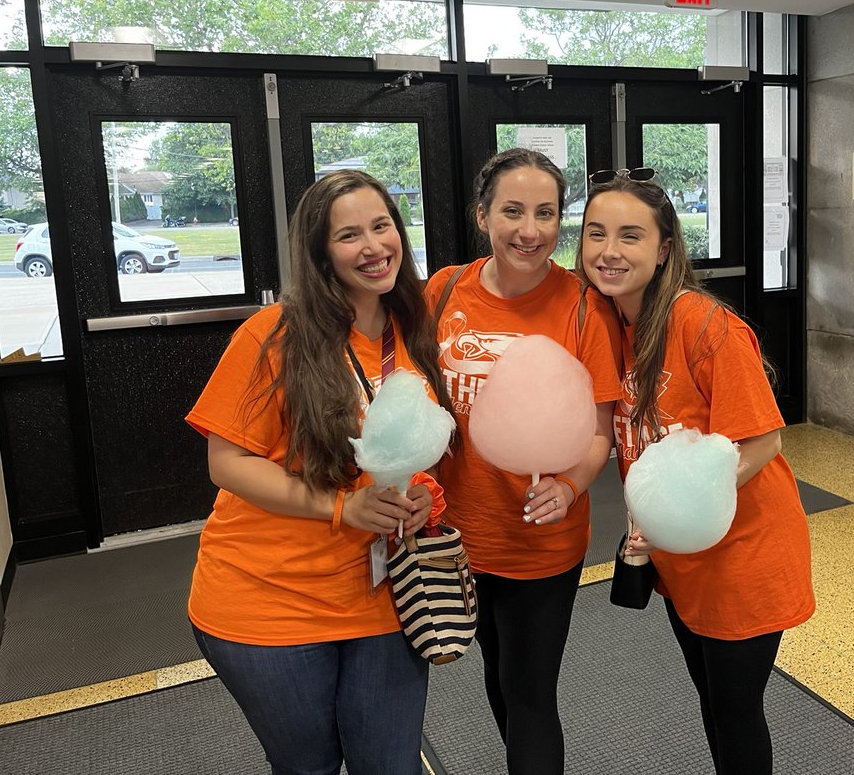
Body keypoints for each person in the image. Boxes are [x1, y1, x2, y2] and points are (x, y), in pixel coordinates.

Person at [185, 170, 454, 775]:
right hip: (268, 598)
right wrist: (340, 508)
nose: (373, 246)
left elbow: (408, 453)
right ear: (318, 253)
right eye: (348, 235)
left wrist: (419, 497)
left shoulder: (413, 330)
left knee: (389, 763)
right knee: (307, 765)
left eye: (382, 226)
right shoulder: (274, 336)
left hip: (383, 592)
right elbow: (225, 464)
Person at [578, 168, 815, 775]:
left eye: (630, 236)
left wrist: (673, 508)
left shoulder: (701, 323)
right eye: (595, 233)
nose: (609, 251)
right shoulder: (616, 326)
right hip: (682, 557)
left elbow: (762, 443)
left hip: (742, 553)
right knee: (712, 702)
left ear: (663, 249)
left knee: (734, 712)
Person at [425, 148, 622, 775]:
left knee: (531, 692)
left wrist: (568, 486)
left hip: (541, 539)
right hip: (460, 532)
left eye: (545, 213)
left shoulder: (584, 307)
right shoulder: (445, 289)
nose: (530, 231)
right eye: (512, 211)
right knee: (497, 675)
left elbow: (599, 434)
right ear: (483, 214)